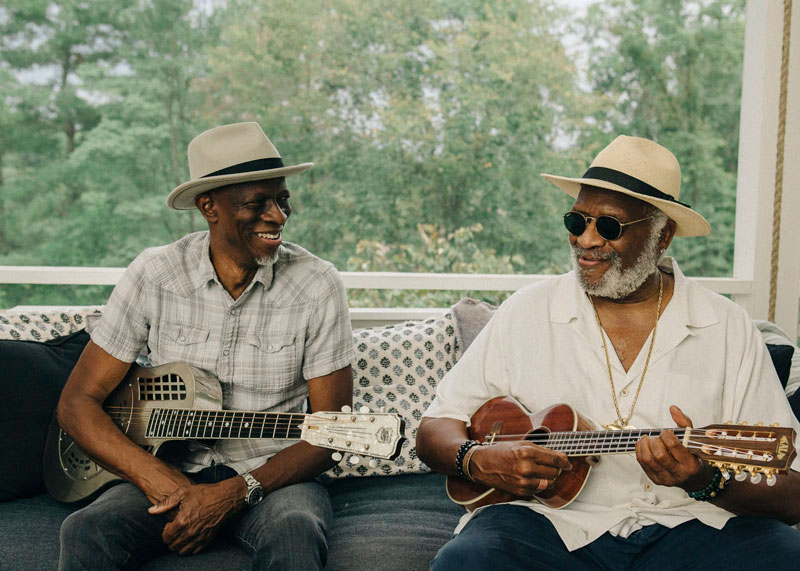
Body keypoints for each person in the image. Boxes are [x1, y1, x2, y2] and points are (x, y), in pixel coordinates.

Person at [416, 135, 800, 570]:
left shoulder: (727, 327)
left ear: (663, 235)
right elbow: (433, 429)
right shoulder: (527, 310)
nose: (587, 240)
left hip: (692, 526)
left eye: (610, 226)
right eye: (577, 221)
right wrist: (477, 458)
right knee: (467, 561)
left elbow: (792, 495)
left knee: (784, 556)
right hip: (546, 524)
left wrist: (704, 479)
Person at [56, 122, 355, 570]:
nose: (279, 216)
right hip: (168, 468)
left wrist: (234, 493)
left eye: (283, 199)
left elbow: (330, 434)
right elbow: (77, 403)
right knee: (85, 531)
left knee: (296, 532)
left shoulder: (318, 284)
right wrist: (160, 481)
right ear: (208, 207)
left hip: (272, 478)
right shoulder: (156, 274)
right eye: (258, 203)